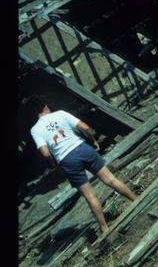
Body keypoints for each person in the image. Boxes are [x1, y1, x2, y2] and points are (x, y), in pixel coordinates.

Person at [25, 94, 138, 235]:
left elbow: (45, 153)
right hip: (83, 149)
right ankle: (136, 200)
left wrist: (52, 161)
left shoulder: (35, 130)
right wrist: (93, 141)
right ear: (46, 106)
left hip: (67, 160)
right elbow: (85, 127)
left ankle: (104, 227)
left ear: (33, 113)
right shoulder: (60, 114)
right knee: (111, 180)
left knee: (90, 196)